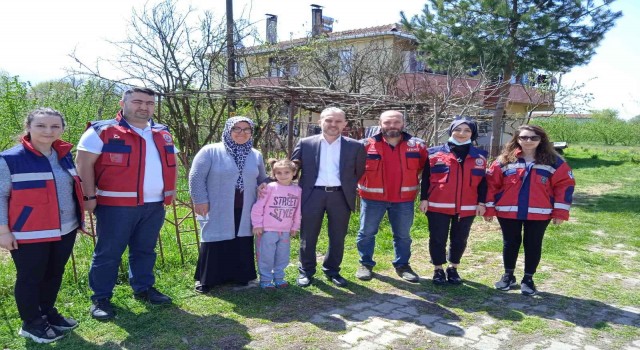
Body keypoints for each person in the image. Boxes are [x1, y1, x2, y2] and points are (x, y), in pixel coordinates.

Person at [76, 87, 178, 320]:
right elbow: (83, 164)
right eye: (137, 101)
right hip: (115, 205)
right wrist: (88, 197)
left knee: (145, 250)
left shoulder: (163, 132)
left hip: (153, 205)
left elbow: (172, 164)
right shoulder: (101, 131)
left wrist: (169, 194)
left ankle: (143, 288)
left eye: (150, 103)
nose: (144, 107)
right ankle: (100, 298)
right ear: (123, 102)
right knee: (108, 252)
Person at [0, 108, 84, 343]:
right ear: (28, 127)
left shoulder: (63, 155)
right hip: (29, 232)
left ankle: (46, 312)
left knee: (54, 274)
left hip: (65, 229)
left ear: (62, 129)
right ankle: (31, 323)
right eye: (41, 126)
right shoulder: (9, 159)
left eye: (55, 126)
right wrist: (3, 231)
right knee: (30, 277)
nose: (48, 131)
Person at [484, 124, 575, 296]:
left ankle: (528, 279)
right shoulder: (504, 160)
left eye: (534, 138)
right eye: (524, 137)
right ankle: (508, 276)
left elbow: (564, 186)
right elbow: (491, 185)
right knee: (510, 243)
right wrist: (489, 208)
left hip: (539, 212)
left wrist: (560, 212)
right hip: (508, 211)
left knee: (533, 244)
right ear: (517, 139)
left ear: (541, 140)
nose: (528, 141)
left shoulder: (554, 161)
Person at [189, 116, 268, 293]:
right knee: (213, 239)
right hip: (216, 205)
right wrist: (200, 199)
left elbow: (262, 179)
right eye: (236, 129)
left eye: (246, 129)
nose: (242, 133)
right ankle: (207, 279)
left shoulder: (255, 155)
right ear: (228, 130)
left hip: (246, 205)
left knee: (242, 240)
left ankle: (241, 276)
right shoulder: (210, 151)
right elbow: (196, 177)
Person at [291, 107, 366, 287]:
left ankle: (332, 270)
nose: (333, 124)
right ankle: (306, 271)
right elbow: (292, 170)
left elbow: (359, 171)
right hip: (312, 195)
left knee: (338, 236)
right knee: (308, 236)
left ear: (345, 124)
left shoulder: (355, 146)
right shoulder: (305, 143)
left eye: (338, 121)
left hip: (340, 196)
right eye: (329, 120)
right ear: (320, 122)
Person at [355, 110, 427, 283]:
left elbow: (424, 169)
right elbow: (352, 168)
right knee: (366, 233)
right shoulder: (365, 145)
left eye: (396, 122)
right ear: (380, 124)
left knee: (403, 235)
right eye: (387, 122)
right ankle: (365, 264)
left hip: (404, 199)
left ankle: (402, 265)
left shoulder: (417, 145)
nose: (391, 126)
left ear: (403, 124)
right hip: (372, 199)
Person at [419, 117, 488, 285]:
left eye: (467, 130)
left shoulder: (481, 156)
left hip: (467, 206)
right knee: (437, 238)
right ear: (451, 131)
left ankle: (453, 268)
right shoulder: (433, 153)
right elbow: (426, 178)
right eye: (458, 129)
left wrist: (481, 202)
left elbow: (483, 183)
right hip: (438, 204)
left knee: (460, 238)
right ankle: (438, 269)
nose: (462, 133)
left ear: (473, 133)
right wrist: (424, 199)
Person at [251, 158, 302, 289]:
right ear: (274, 174)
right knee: (266, 256)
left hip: (285, 231)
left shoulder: (297, 190)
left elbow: (298, 210)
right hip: (267, 230)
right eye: (279, 173)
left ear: (294, 173)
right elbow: (258, 207)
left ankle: (279, 278)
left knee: (282, 256)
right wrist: (257, 224)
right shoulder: (270, 188)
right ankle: (266, 280)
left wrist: (295, 226)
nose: (283, 176)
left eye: (286, 172)